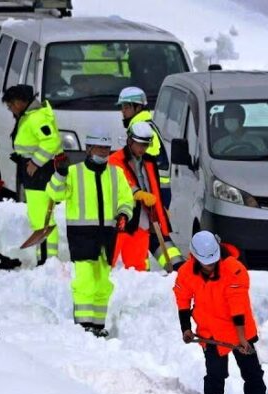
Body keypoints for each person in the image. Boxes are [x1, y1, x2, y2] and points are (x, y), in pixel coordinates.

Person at [174, 231, 268, 394]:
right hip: (210, 333)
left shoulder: (234, 270)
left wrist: (242, 338)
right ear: (194, 257)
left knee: (252, 376)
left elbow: (238, 306)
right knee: (215, 376)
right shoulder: (187, 272)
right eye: (205, 263)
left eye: (213, 262)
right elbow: (182, 297)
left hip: (240, 331)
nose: (210, 267)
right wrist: (186, 328)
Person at [46, 130, 133, 337]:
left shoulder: (115, 173)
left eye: (106, 148)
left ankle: (97, 324)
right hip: (82, 236)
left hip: (107, 236)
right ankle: (83, 325)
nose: (103, 152)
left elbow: (126, 199)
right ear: (88, 149)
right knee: (85, 281)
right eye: (99, 147)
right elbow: (55, 193)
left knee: (103, 282)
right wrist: (60, 173)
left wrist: (123, 214)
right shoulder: (73, 173)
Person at [109, 122, 183, 270]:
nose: (143, 148)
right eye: (140, 144)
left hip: (145, 218)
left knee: (139, 265)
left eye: (146, 145)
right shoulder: (116, 160)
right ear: (130, 141)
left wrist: (159, 208)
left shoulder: (149, 161)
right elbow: (118, 182)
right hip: (125, 218)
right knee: (113, 262)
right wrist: (137, 192)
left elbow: (153, 187)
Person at [4, 84, 62, 264]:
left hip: (40, 174)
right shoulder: (29, 116)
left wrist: (36, 162)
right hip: (33, 172)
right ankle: (45, 258)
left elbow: (52, 141)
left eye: (11, 105)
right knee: (39, 217)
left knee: (42, 219)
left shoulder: (37, 117)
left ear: (20, 102)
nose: (10, 109)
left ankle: (47, 260)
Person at [116, 86, 170, 206]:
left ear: (138, 107)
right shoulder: (144, 125)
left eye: (126, 107)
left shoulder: (142, 129)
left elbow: (144, 163)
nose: (122, 111)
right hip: (154, 187)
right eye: (121, 107)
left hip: (154, 188)